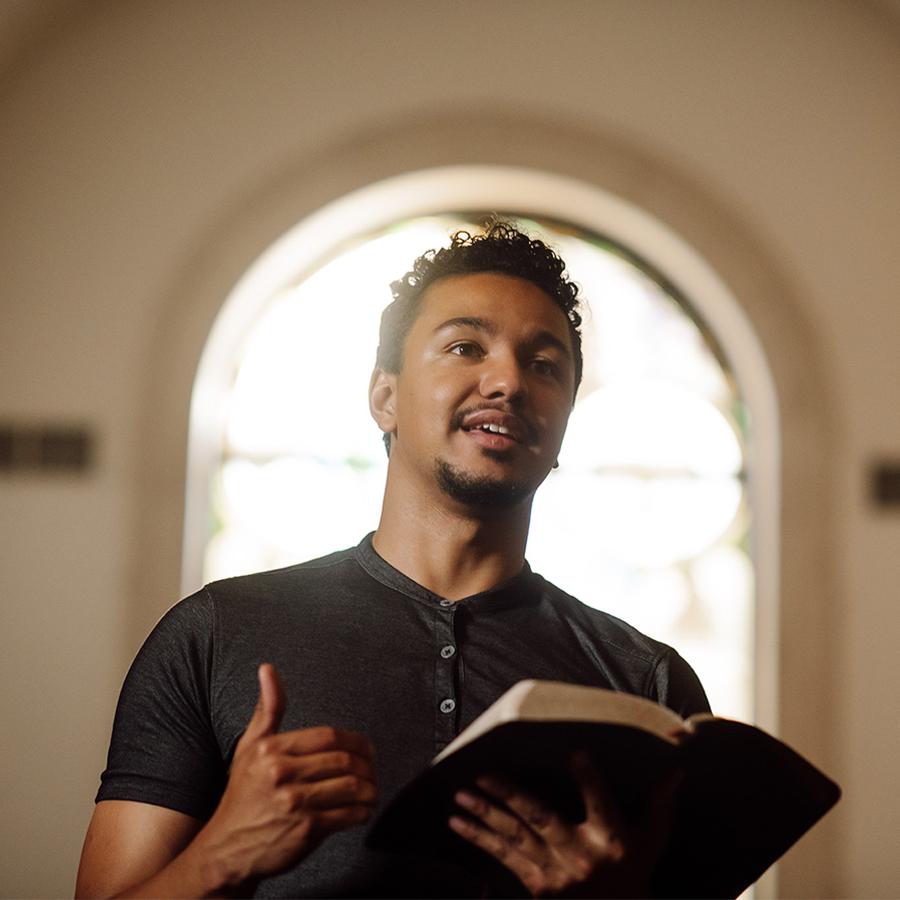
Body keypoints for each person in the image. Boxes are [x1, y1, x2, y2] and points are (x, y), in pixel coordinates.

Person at [76, 221, 709, 898]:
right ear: (385, 398)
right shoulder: (211, 635)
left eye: (544, 365)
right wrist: (224, 852)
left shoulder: (647, 685)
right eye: (466, 346)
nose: (507, 381)